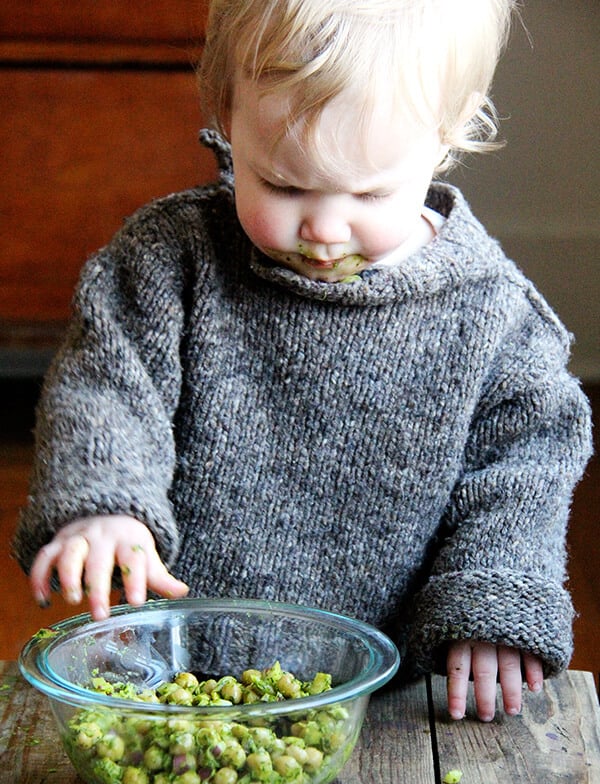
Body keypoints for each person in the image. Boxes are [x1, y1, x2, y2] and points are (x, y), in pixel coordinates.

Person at [13, 0, 592, 723]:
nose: (322, 226)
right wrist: (104, 505)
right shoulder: (171, 260)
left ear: (451, 136)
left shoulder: (497, 319)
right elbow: (107, 386)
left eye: (370, 192)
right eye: (284, 185)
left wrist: (493, 593)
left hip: (381, 693)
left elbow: (524, 471)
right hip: (166, 668)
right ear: (228, 118)